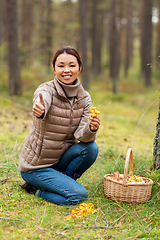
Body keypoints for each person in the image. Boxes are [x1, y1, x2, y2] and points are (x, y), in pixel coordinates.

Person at [19, 46, 100, 205]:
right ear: (54, 68)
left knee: (91, 148)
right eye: (61, 65)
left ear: (80, 68)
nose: (66, 70)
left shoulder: (84, 98)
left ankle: (60, 183)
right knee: (78, 196)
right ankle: (36, 190)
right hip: (36, 167)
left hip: (58, 162)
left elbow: (81, 137)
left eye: (72, 65)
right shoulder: (46, 90)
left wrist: (92, 129)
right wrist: (39, 109)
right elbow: (42, 99)